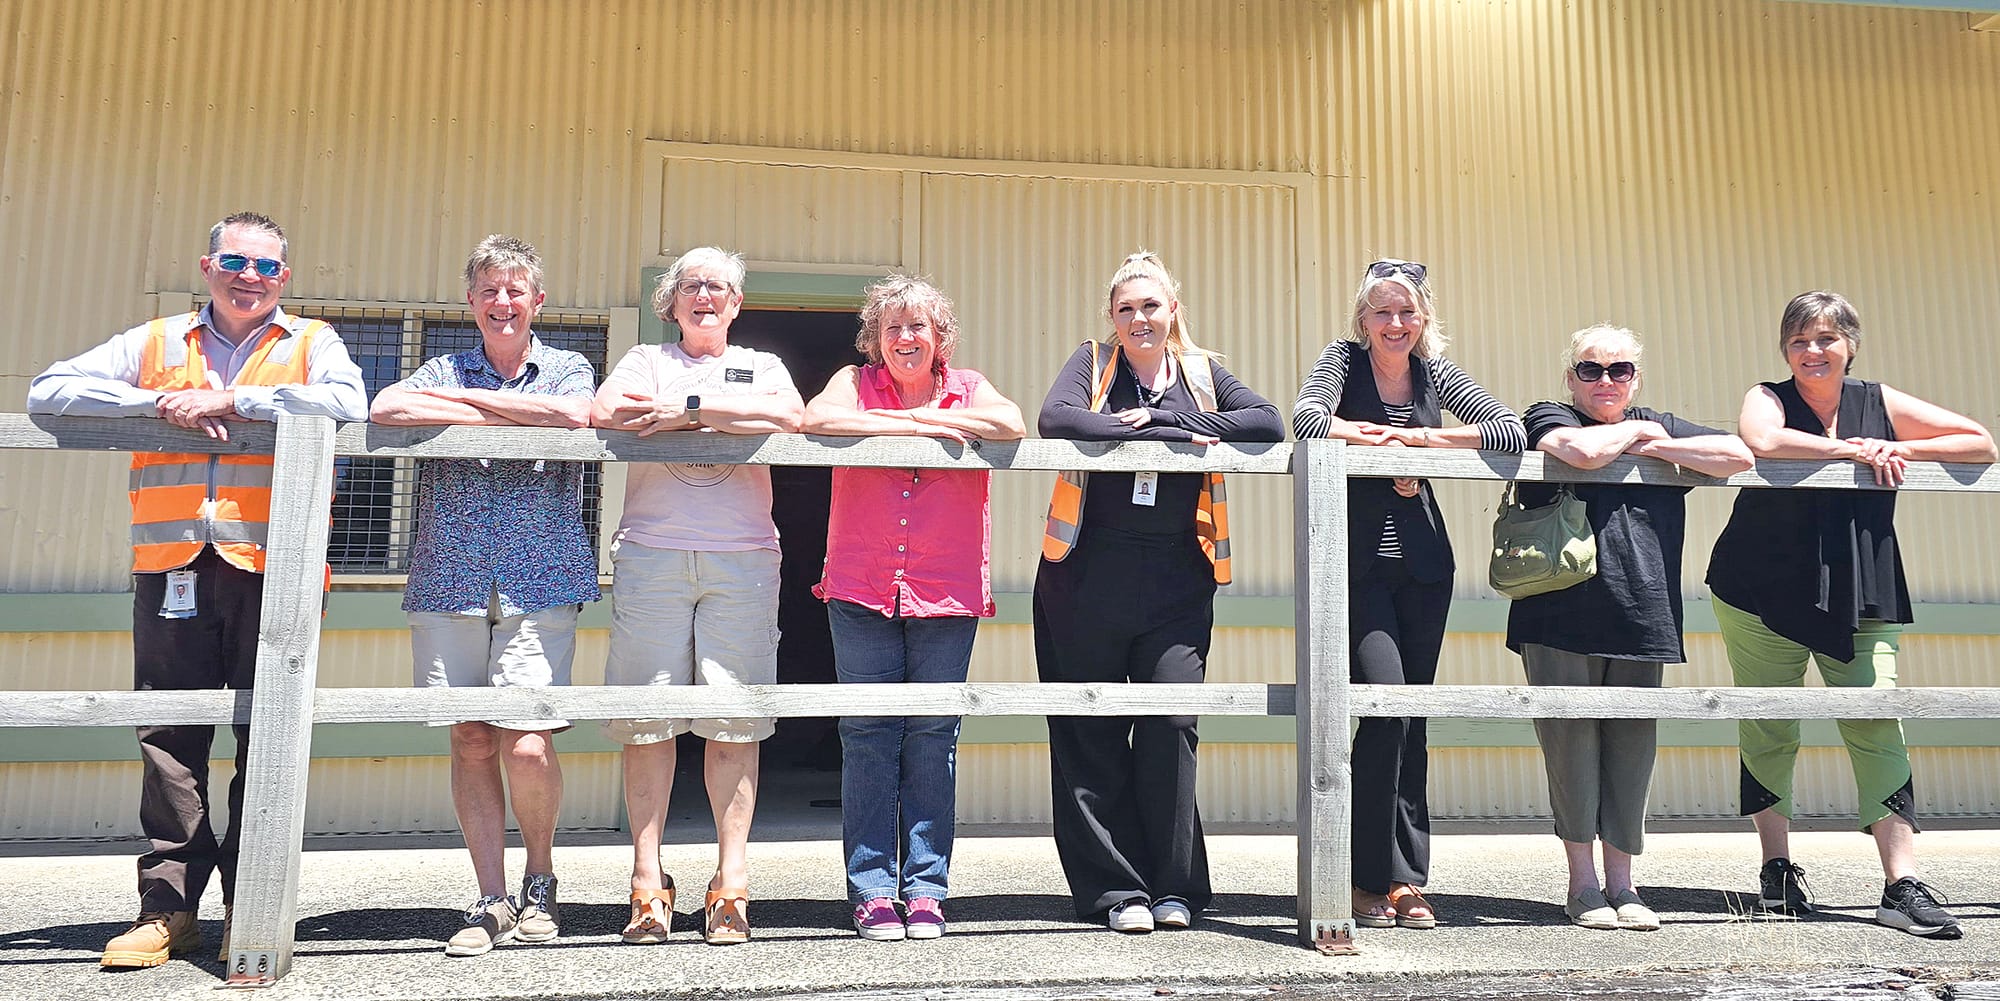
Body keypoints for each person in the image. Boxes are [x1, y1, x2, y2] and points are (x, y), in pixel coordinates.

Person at [25, 211, 367, 969]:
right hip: (170, 564)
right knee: (170, 738)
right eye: (237, 261)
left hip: (274, 569)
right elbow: (52, 391)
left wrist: (231, 402)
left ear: (286, 277)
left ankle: (254, 902)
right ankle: (170, 909)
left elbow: (348, 402)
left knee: (269, 737)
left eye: (268, 267)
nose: (251, 276)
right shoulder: (155, 343)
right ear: (208, 265)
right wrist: (154, 403)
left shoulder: (312, 343)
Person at [1706, 290, 1994, 939]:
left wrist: (1899, 450)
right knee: (1771, 723)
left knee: (1877, 720)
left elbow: (1979, 442)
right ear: (1786, 349)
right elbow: (1761, 440)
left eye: (1826, 338)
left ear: (1850, 344)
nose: (1813, 351)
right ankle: (1776, 870)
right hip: (1760, 588)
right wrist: (1854, 452)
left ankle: (1901, 885)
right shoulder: (1770, 396)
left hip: (1863, 585)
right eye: (1800, 340)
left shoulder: (1879, 401)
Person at [1035, 251, 1284, 934]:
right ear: (1111, 318)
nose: (1139, 318)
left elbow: (1266, 422)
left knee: (1172, 725)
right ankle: (1116, 892)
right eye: (1126, 309)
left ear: (1172, 308)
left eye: (1150, 305)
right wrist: (1128, 427)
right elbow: (1056, 419)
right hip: (1082, 575)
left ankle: (1174, 886)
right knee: (1090, 730)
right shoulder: (1092, 363)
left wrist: (1175, 426)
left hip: (1177, 578)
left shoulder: (1202, 374)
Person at [369, 236, 599, 956]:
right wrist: (494, 403)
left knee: (527, 741)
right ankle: (490, 897)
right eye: (489, 290)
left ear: (538, 300)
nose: (504, 302)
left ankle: (540, 880)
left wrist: (462, 408)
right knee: (471, 736)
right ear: (472, 301)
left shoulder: (566, 366)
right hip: (452, 573)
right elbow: (385, 406)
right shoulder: (440, 364)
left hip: (542, 573)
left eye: (516, 290)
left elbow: (575, 415)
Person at [1291, 258, 1525, 930]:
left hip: (1424, 568)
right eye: (1382, 312)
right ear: (1362, 318)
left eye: (1407, 312)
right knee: (1383, 707)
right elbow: (1308, 418)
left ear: (1423, 319)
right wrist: (1377, 442)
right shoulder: (1343, 359)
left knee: (1412, 718)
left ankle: (1403, 879)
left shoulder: (1436, 372)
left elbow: (1508, 429)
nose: (1395, 324)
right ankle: (1360, 878)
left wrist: (1422, 441)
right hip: (1356, 569)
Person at [1505, 325, 1752, 931]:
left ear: (1636, 377)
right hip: (1558, 612)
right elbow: (1583, 453)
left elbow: (1739, 454)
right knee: (1571, 752)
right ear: (1571, 378)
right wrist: (1646, 436)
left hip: (1644, 613)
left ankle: (1625, 885)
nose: (1605, 381)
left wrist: (1659, 442)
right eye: (1591, 370)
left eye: (1619, 371)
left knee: (1631, 754)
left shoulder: (1660, 421)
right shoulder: (1550, 413)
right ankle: (1583, 885)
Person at [802, 275, 1025, 941]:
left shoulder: (971, 385)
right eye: (893, 326)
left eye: (918, 326)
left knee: (933, 738)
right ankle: (872, 890)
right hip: (861, 582)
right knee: (868, 738)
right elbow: (817, 418)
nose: (906, 337)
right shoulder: (853, 381)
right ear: (874, 337)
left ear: (939, 338)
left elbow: (1010, 423)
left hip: (945, 589)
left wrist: (931, 417)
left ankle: (926, 890)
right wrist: (921, 424)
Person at [592, 246, 805, 945]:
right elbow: (607, 410)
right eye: (692, 287)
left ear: (737, 304)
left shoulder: (761, 365)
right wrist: (719, 414)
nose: (705, 296)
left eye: (719, 287)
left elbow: (788, 416)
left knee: (733, 720)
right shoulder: (644, 360)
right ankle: (647, 883)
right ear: (672, 302)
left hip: (742, 558)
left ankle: (730, 885)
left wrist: (685, 408)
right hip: (652, 554)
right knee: (649, 719)